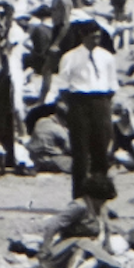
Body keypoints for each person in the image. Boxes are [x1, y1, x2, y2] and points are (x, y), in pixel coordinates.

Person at [52, 15, 117, 220]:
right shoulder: (70, 57)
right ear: (82, 35)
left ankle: (101, 202)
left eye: (98, 36)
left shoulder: (107, 57)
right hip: (79, 103)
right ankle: (79, 201)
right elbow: (63, 86)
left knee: (101, 154)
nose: (96, 39)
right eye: (92, 36)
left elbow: (112, 86)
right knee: (81, 154)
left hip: (101, 103)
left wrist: (105, 107)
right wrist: (68, 107)